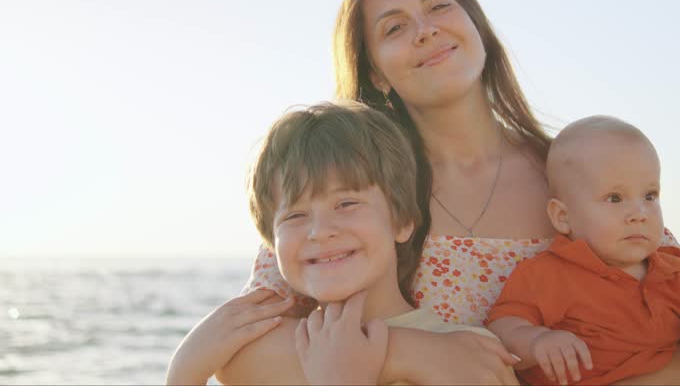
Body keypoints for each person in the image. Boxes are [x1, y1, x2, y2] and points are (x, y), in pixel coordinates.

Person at [215, 0, 680, 385]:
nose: (425, 30)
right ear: (376, 71)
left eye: (439, 6)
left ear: (477, 26)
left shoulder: (579, 171)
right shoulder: (347, 191)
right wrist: (413, 352)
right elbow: (239, 354)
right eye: (395, 27)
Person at [167, 102, 516, 385]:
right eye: (295, 216)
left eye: (346, 204)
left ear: (402, 220)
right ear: (272, 244)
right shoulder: (259, 351)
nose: (320, 231)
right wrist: (184, 371)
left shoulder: (470, 354)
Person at [486, 116, 680, 385]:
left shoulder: (679, 270)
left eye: (650, 196)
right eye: (614, 198)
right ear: (563, 217)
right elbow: (503, 328)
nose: (639, 213)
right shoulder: (548, 274)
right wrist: (537, 341)